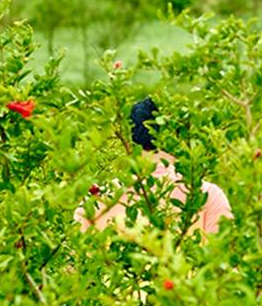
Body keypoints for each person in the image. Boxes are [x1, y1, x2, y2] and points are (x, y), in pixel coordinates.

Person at [75, 97, 232, 235]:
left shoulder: (97, 198)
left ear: (128, 139)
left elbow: (74, 262)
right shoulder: (207, 196)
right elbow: (223, 262)